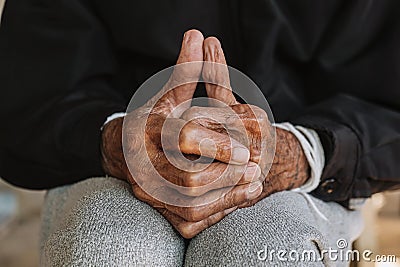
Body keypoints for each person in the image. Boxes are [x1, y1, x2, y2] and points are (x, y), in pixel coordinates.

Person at [0, 0, 399, 266]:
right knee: (107, 248)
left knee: (265, 254)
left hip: (304, 156)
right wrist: (118, 140)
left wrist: (294, 151)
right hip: (105, 146)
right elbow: (31, 92)